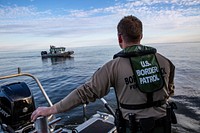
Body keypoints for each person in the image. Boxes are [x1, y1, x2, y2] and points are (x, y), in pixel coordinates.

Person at [31, 15, 175, 133]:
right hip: (164, 127)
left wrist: (51, 109)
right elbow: (169, 90)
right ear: (141, 36)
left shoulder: (112, 67)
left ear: (120, 38)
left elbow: (85, 92)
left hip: (133, 128)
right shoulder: (165, 61)